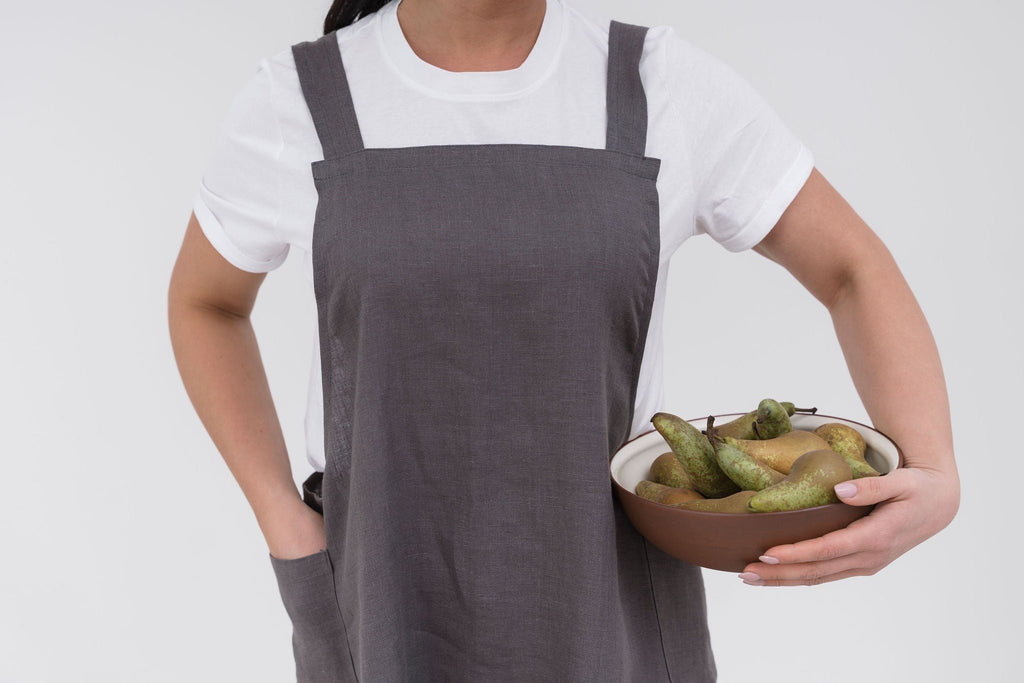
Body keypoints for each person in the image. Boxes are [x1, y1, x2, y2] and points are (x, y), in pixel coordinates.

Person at [167, 0, 961, 680]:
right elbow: (205, 302)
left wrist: (934, 470)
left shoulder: (659, 87)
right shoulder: (299, 100)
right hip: (381, 597)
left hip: (605, 606)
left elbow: (852, 266)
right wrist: (284, 518)